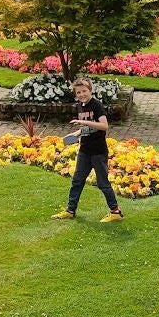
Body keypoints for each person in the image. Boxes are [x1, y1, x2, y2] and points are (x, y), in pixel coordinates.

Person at [52, 78, 124, 222]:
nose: (82, 94)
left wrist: (82, 122)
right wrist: (77, 133)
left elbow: (104, 126)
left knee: (103, 183)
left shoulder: (96, 105)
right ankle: (70, 210)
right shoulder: (81, 106)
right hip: (85, 151)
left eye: (84, 91)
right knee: (77, 181)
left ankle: (115, 212)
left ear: (90, 90)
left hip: (98, 152)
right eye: (78, 92)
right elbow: (88, 128)